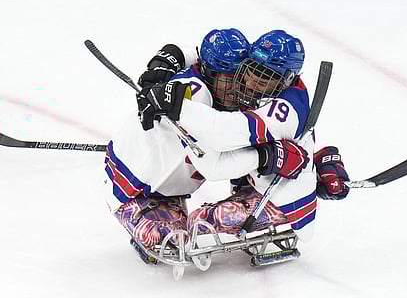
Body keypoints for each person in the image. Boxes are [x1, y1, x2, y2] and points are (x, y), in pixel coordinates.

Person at [104, 28, 311, 264]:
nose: (240, 85)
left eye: (241, 75)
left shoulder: (269, 102)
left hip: (179, 188)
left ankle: (252, 196)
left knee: (210, 215)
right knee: (174, 240)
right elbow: (213, 164)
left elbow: (197, 56)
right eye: (229, 77)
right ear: (209, 73)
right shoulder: (197, 94)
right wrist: (266, 156)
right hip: (133, 191)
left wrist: (170, 57)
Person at [137, 29, 351, 243]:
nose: (249, 84)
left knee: (200, 221)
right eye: (250, 72)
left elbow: (219, 140)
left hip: (280, 197)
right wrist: (169, 59)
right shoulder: (270, 88)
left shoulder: (283, 112)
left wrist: (173, 104)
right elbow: (213, 56)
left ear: (285, 80)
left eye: (262, 80)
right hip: (254, 179)